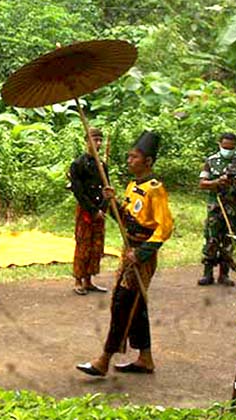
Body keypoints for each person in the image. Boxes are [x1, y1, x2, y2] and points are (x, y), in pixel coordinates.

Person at [76, 131, 173, 377]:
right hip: (127, 252)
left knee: (123, 304)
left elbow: (165, 227)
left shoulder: (155, 189)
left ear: (148, 162)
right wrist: (112, 202)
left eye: (135, 157)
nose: (129, 161)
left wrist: (143, 253)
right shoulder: (133, 186)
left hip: (141, 257)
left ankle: (103, 360)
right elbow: (125, 218)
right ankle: (145, 358)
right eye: (129, 157)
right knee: (134, 306)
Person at [198, 133, 236, 286]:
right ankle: (207, 273)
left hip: (235, 208)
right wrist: (217, 182)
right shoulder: (211, 161)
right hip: (215, 206)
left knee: (230, 240)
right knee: (211, 238)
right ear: (219, 144)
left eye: (231, 148)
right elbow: (202, 183)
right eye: (225, 147)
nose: (228, 150)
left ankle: (224, 275)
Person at [69, 127, 109, 296]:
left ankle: (89, 280)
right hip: (86, 211)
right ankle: (78, 280)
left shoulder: (102, 165)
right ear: (87, 141)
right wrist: (93, 210)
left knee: (96, 246)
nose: (98, 143)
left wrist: (103, 208)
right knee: (83, 244)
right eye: (94, 140)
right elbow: (78, 191)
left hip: (100, 211)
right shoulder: (78, 164)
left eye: (100, 140)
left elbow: (106, 189)